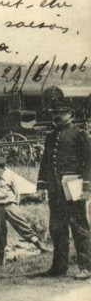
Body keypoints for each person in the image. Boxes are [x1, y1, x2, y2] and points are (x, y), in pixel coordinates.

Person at [36, 98, 91, 279]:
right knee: (57, 228)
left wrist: (86, 187)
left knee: (79, 227)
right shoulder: (50, 136)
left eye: (60, 113)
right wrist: (42, 186)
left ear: (70, 114)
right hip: (55, 190)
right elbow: (45, 163)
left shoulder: (80, 134)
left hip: (74, 187)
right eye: (54, 113)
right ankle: (59, 267)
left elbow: (88, 163)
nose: (56, 116)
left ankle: (86, 267)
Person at [0, 156, 51, 265]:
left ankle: (40, 246)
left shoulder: (10, 178)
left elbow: (16, 193)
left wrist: (14, 204)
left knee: (22, 225)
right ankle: (2, 257)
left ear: (3, 168)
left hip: (10, 205)